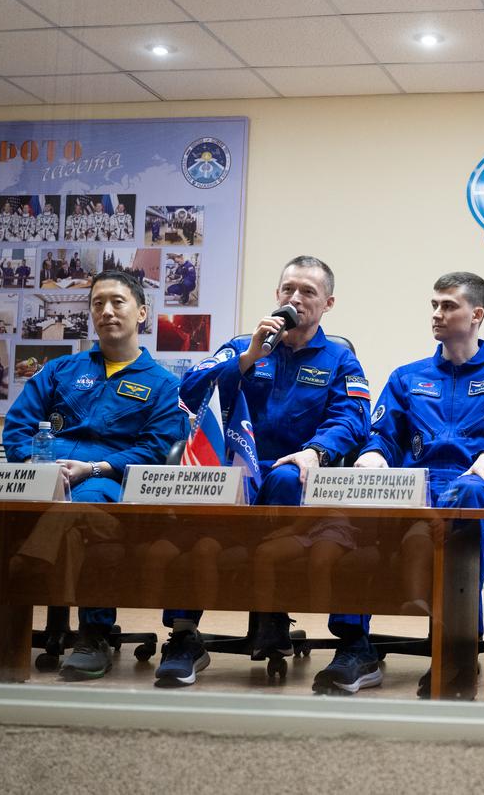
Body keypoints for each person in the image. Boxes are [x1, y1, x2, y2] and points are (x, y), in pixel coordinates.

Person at [297, 272, 484, 696]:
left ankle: (455, 651)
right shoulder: (406, 377)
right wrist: (374, 455)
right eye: (434, 305)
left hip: (473, 486)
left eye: (448, 306)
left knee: (470, 494)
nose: (437, 314)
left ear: (477, 315)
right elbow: (382, 433)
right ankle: (355, 647)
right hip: (414, 486)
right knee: (358, 493)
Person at [172, 256, 369, 687]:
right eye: (287, 290)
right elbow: (189, 390)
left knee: (283, 478)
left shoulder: (340, 360)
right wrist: (246, 358)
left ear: (328, 303)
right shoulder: (245, 343)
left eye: (308, 292)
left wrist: (315, 451)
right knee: (194, 494)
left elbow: (352, 419)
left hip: (297, 474)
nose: (295, 299)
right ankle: (183, 637)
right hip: (236, 470)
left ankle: (272, 613)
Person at [2, 271, 189, 681]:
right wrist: (36, 469)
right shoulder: (59, 371)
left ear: (142, 313)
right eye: (97, 303)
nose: (106, 311)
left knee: (85, 505)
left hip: (109, 481)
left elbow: (156, 448)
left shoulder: (163, 386)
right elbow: (17, 427)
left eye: (117, 302)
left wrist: (93, 467)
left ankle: (92, 632)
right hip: (45, 479)